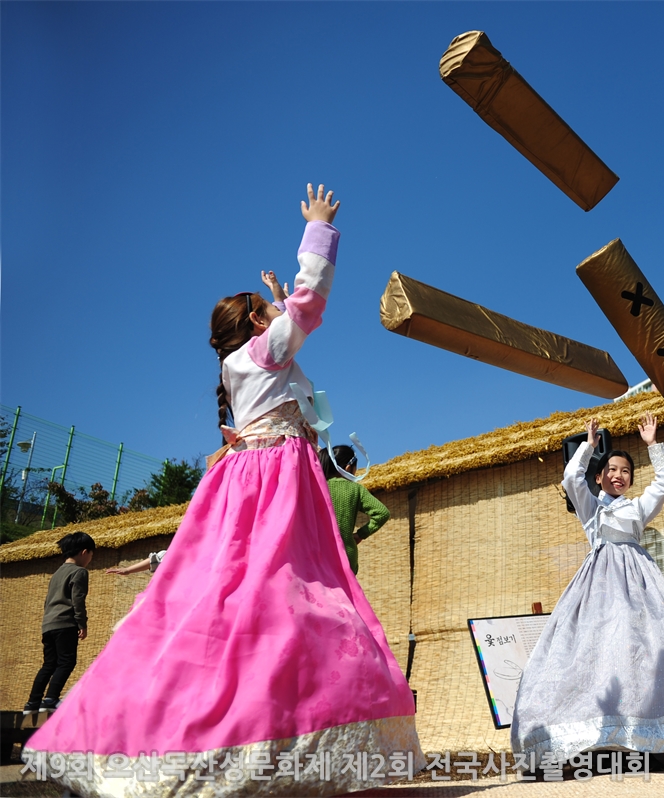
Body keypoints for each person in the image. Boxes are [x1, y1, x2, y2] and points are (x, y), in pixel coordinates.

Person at [23, 184, 422, 797]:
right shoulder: (264, 353)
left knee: (235, 593)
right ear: (258, 326)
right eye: (267, 312)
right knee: (284, 592)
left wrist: (272, 295)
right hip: (274, 480)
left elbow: (287, 323)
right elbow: (308, 307)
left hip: (248, 478)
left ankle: (208, 727)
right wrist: (318, 231)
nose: (277, 314)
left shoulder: (240, 364)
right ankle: (270, 731)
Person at [511, 413, 664, 766]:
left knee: (647, 650)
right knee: (601, 650)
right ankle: (600, 738)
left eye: (626, 471)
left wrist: (653, 445)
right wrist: (589, 446)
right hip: (599, 587)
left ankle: (654, 735)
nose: (619, 475)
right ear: (599, 477)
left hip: (643, 586)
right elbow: (571, 477)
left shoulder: (637, 509)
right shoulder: (591, 508)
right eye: (612, 470)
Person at [24, 532, 95, 714]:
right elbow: (77, 600)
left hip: (48, 624)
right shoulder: (79, 572)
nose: (90, 559)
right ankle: (50, 699)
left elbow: (47, 601)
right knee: (66, 662)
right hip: (65, 623)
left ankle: (32, 703)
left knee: (49, 664)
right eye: (91, 555)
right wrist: (82, 624)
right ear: (84, 552)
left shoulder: (56, 574)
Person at [319, 444, 389, 575]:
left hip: (318, 557)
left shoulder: (316, 487)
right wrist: (360, 535)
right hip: (346, 557)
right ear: (348, 467)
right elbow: (382, 513)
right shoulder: (355, 489)